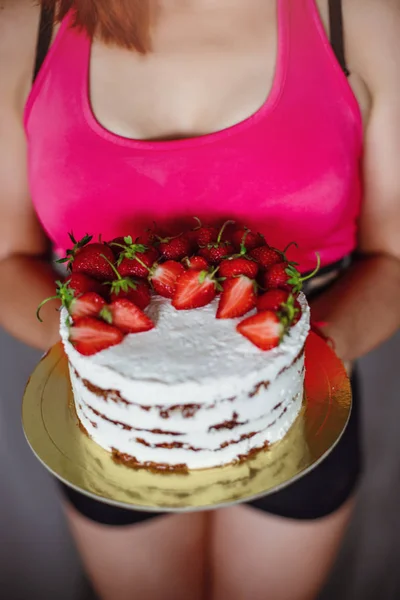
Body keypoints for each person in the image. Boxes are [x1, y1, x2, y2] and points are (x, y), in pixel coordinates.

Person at [1, 0, 399, 598]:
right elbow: (7, 263)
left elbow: (394, 259)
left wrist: (277, 365)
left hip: (296, 404)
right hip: (117, 426)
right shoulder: (23, 25)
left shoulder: (358, 16)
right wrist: (119, 364)